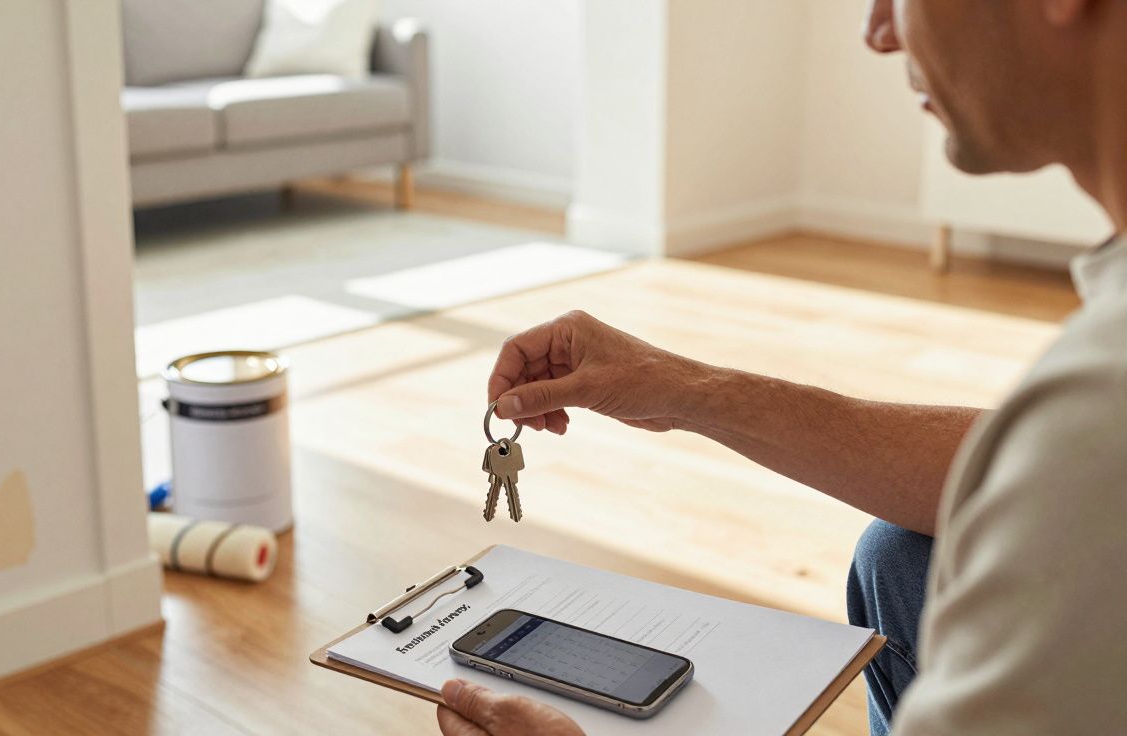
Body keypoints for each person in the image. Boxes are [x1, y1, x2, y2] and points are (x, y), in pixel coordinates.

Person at [435, 0, 1127, 734]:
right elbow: (1020, 470)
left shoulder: (1095, 405)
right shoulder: (1086, 430)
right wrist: (680, 389)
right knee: (900, 559)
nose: (880, 32)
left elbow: (1073, 463)